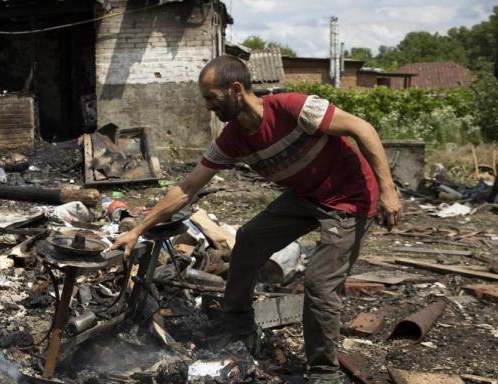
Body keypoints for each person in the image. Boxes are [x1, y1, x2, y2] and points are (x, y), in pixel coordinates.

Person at [111, 55, 403, 384]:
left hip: (350, 199)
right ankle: (237, 324)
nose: (209, 107)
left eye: (212, 98)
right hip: (306, 196)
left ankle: (325, 372)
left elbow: (362, 128)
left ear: (236, 89)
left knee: (320, 284)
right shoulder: (233, 139)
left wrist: (388, 190)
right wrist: (137, 229)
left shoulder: (294, 108)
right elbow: (186, 187)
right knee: (249, 239)